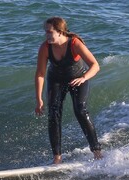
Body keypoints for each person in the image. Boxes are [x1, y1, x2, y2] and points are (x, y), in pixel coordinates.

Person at [35, 17, 102, 164]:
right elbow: (40, 73)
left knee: (80, 110)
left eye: (49, 32)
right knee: (53, 113)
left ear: (60, 32)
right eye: (45, 32)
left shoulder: (74, 44)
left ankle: (97, 151)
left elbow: (95, 65)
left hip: (77, 79)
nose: (46, 35)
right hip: (56, 80)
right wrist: (39, 98)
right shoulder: (45, 47)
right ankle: (57, 158)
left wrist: (84, 78)